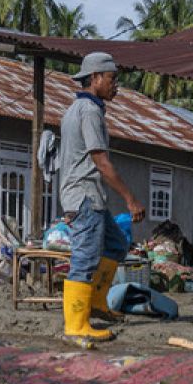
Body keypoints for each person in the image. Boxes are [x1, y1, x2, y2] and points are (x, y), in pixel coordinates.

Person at [58, 52, 146, 347]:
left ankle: (96, 302)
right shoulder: (89, 111)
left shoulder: (78, 108)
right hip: (83, 196)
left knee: (117, 244)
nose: (116, 86)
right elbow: (101, 161)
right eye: (112, 79)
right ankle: (76, 325)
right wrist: (131, 199)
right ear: (95, 78)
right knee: (83, 259)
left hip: (89, 196)